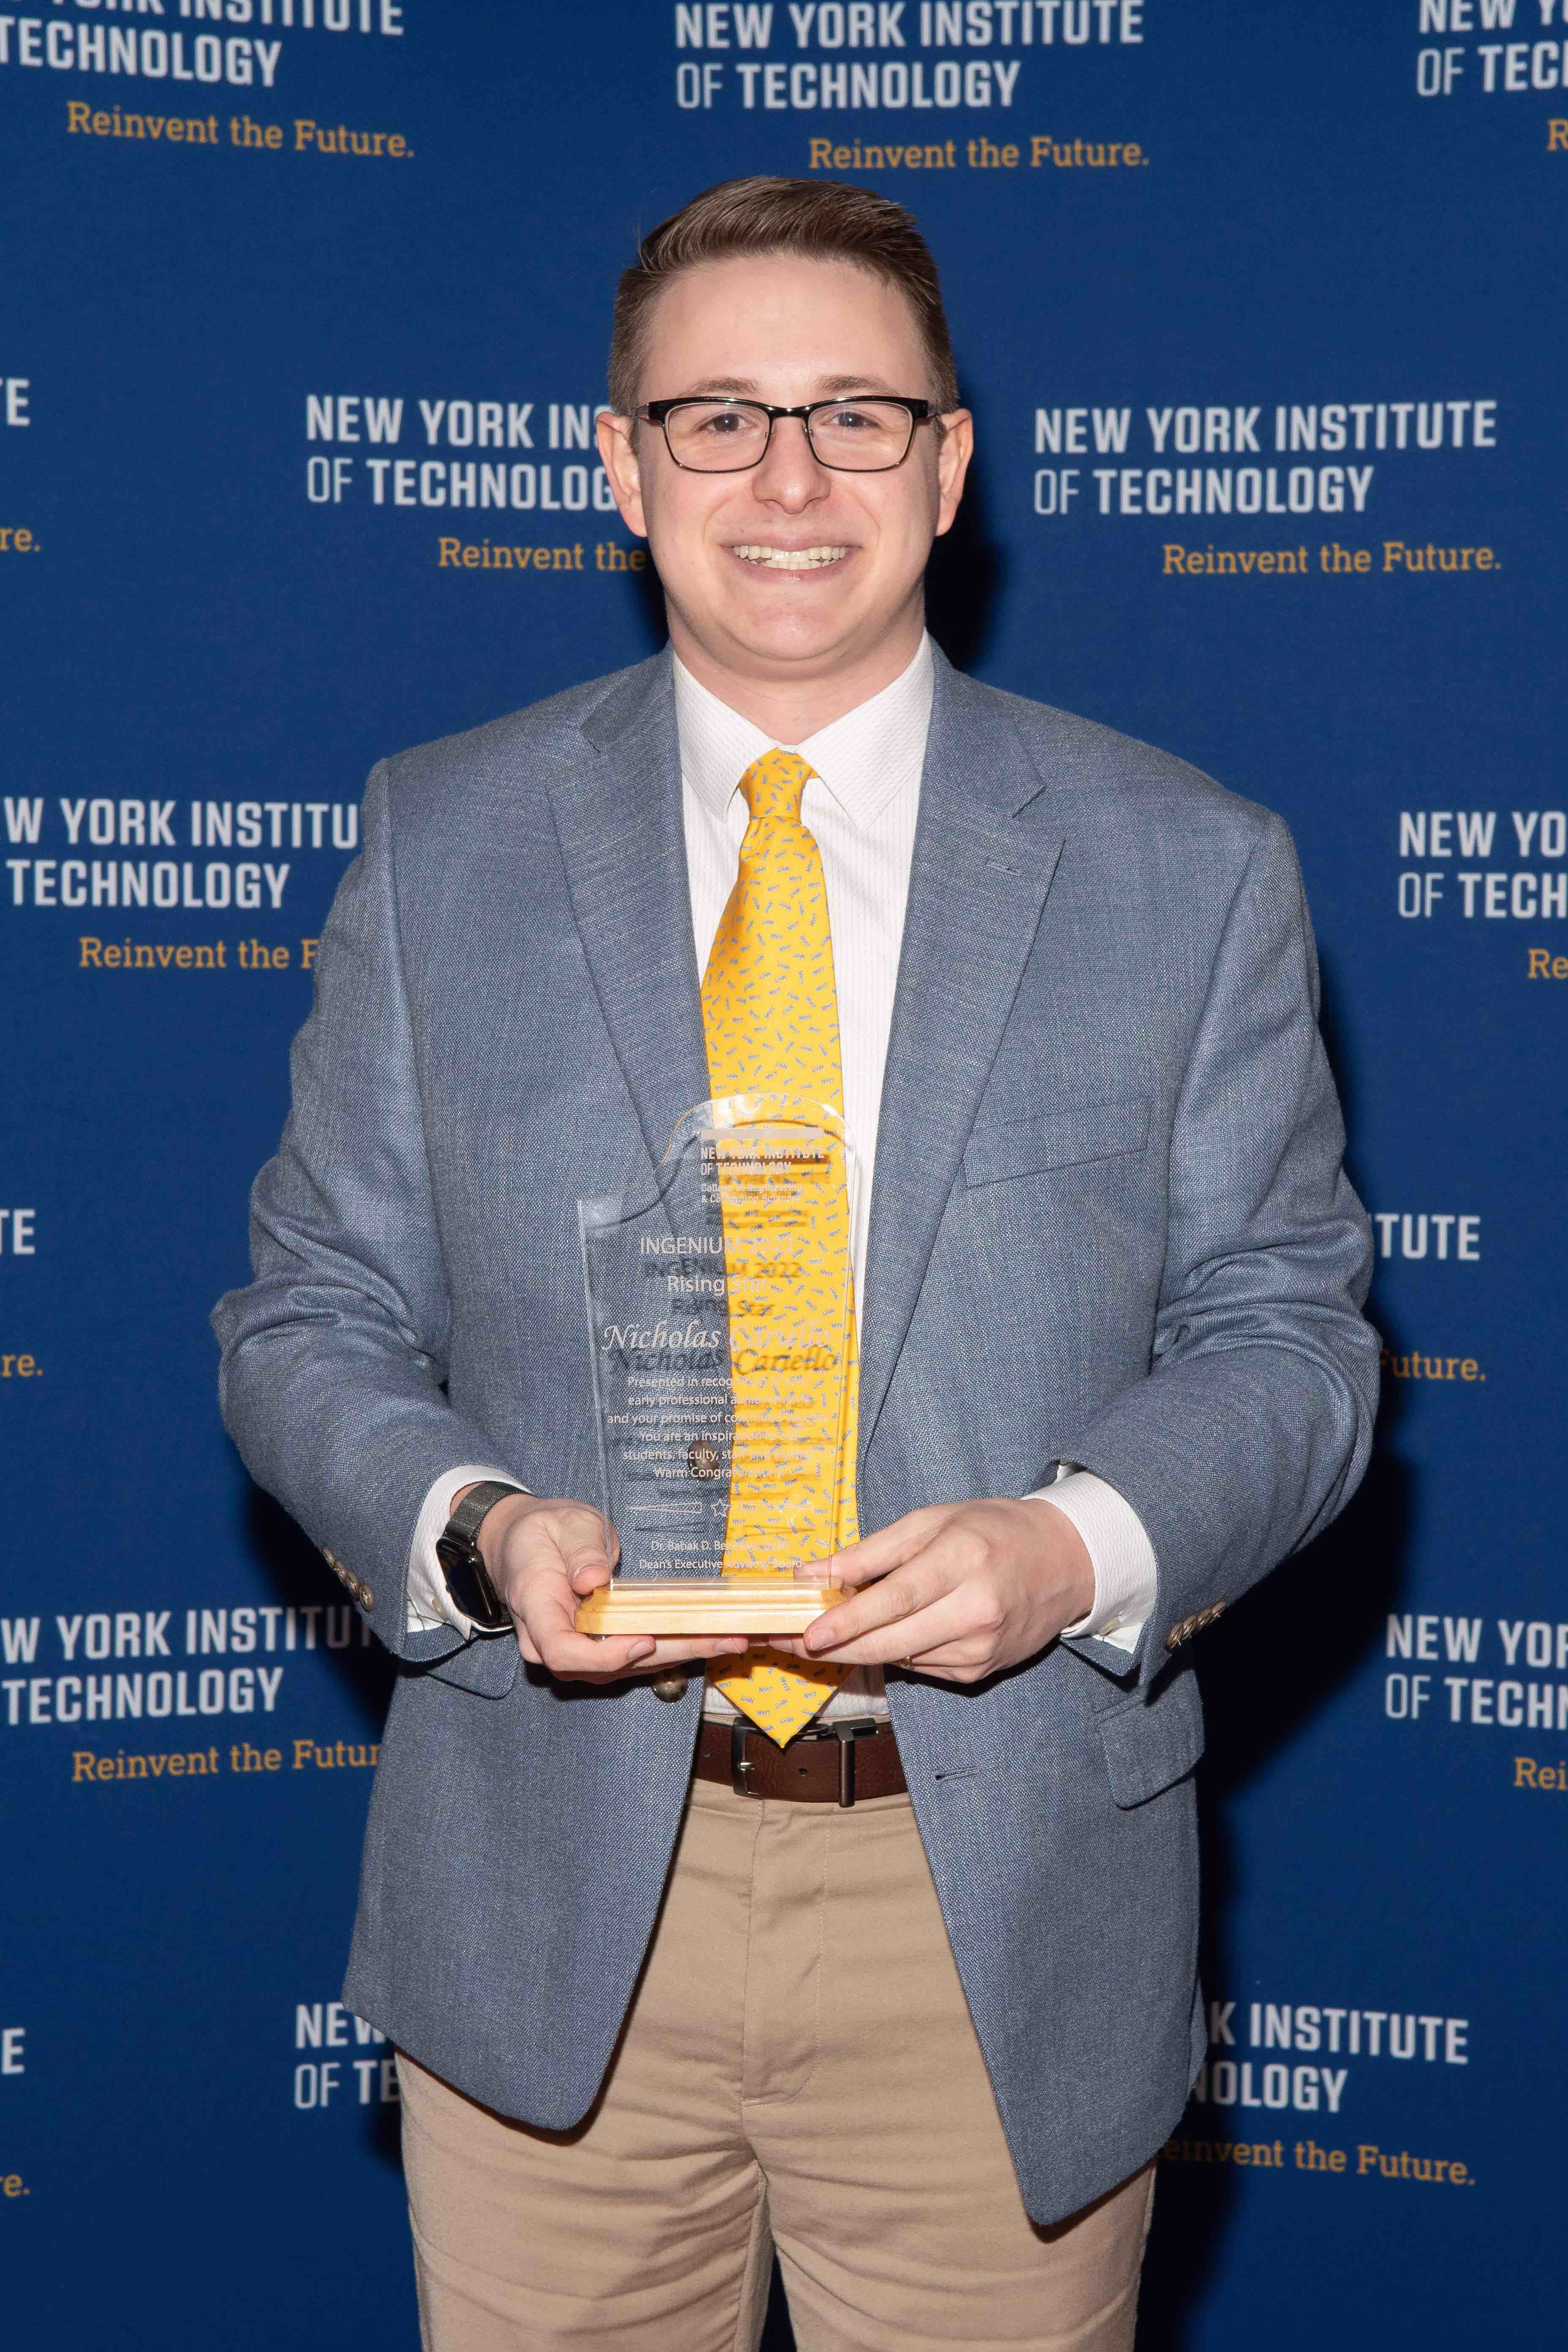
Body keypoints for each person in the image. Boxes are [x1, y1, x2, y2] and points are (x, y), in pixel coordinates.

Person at [214, 177, 1377, 2351]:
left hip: (994, 1907)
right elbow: (312, 1315)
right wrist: (470, 1526)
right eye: (717, 416)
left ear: (947, 463)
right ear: (620, 464)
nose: (785, 478)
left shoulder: (1188, 867)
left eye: (855, 414)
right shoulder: (438, 838)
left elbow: (1290, 1342)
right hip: (551, 1905)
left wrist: (1072, 1545)